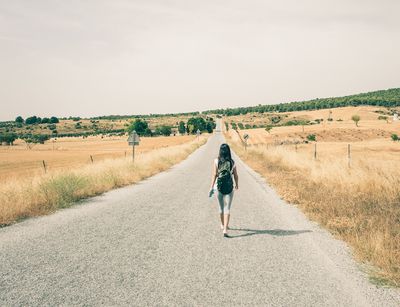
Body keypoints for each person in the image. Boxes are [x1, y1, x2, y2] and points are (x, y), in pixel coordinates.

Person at [209, 143, 239, 237]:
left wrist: (211, 187)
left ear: (220, 151)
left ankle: (222, 225)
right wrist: (237, 185)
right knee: (228, 208)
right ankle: (225, 229)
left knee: (221, 207)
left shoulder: (216, 161)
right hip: (229, 187)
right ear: (229, 151)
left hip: (219, 187)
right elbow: (236, 175)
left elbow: (214, 175)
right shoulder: (232, 162)